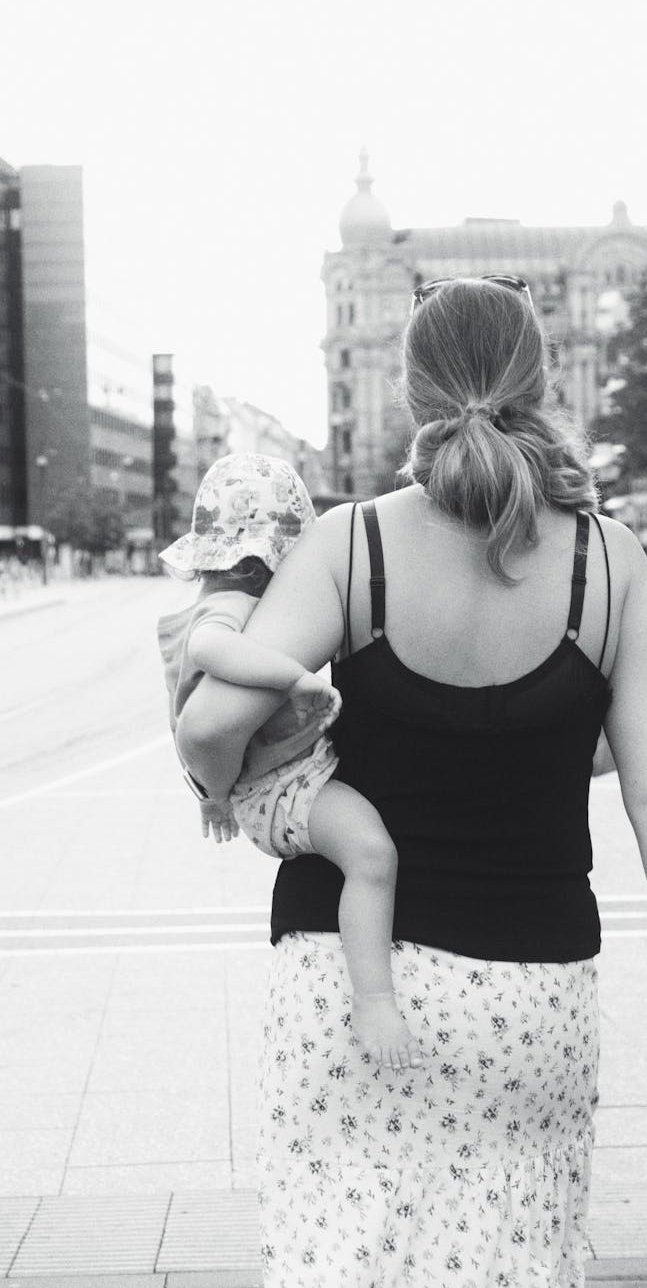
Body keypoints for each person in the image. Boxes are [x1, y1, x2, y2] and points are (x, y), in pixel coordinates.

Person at [177, 277, 647, 1287]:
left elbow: (214, 724)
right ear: (545, 382)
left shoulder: (352, 545)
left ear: (412, 392)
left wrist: (225, 789)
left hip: (348, 989)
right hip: (532, 1000)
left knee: (343, 1256)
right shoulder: (607, 563)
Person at [157, 451, 423, 1071]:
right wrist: (295, 676)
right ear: (259, 564)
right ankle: (375, 1000)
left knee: (370, 851)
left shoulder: (234, 595)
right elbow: (209, 646)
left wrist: (213, 795)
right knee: (373, 856)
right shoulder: (231, 606)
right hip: (284, 787)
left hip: (277, 778)